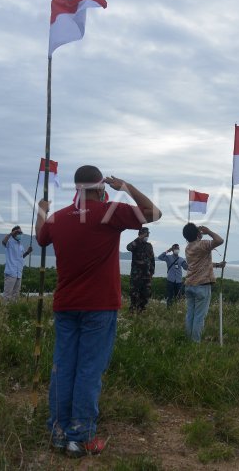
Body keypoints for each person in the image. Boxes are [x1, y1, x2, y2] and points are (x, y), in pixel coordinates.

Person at [36, 166, 160, 457]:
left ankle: (57, 430)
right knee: (89, 370)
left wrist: (42, 210)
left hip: (65, 305)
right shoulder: (109, 212)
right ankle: (80, 438)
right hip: (100, 306)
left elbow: (42, 238)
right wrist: (126, 186)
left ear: (77, 187)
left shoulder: (59, 218)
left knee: (63, 367)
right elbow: (153, 212)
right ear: (100, 187)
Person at [182, 223, 225, 343]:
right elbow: (220, 240)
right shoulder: (202, 244)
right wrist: (209, 231)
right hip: (202, 286)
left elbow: (199, 264)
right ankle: (195, 343)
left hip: (189, 284)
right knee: (199, 317)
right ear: (197, 234)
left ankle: (188, 339)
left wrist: (217, 265)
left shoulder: (188, 247)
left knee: (190, 314)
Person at [127, 227, 155, 312]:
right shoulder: (136, 244)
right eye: (146, 234)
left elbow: (152, 259)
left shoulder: (149, 246)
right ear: (141, 234)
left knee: (146, 294)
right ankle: (133, 311)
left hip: (146, 275)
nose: (147, 236)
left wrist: (151, 272)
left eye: (148, 234)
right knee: (135, 293)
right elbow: (128, 247)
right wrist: (139, 238)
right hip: (136, 275)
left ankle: (142, 310)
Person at [2, 225, 32, 302]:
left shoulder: (21, 246)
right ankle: (5, 311)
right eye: (18, 232)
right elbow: (3, 242)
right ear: (14, 233)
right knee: (7, 294)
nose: (20, 234)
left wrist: (27, 252)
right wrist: (10, 234)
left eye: (21, 232)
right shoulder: (9, 243)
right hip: (11, 272)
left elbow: (21, 257)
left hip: (19, 273)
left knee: (16, 294)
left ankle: (13, 309)